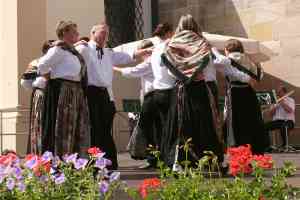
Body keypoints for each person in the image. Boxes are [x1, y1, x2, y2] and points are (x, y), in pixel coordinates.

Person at [76, 23, 150, 169]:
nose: (105, 36)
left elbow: (126, 57)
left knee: (105, 129)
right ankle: (94, 163)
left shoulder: (108, 52)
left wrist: (145, 51)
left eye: (107, 33)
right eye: (102, 32)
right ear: (92, 32)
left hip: (106, 95)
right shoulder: (84, 48)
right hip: (91, 94)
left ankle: (109, 163)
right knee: (95, 129)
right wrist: (75, 44)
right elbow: (71, 54)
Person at [160, 14, 224, 168]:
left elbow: (168, 69)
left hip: (182, 88)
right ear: (195, 25)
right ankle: (209, 160)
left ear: (179, 26)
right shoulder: (203, 42)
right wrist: (196, 72)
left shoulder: (171, 43)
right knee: (205, 123)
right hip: (201, 88)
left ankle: (179, 161)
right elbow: (210, 65)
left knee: (180, 123)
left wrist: (184, 73)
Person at [38, 20, 90, 157]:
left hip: (75, 91)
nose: (77, 34)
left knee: (76, 127)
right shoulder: (58, 50)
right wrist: (48, 77)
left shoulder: (71, 51)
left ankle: (74, 158)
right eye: (74, 31)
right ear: (64, 33)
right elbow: (42, 64)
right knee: (63, 127)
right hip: (64, 90)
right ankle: (60, 159)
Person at [212, 39, 269, 154]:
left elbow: (217, 63)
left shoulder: (227, 60)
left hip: (235, 93)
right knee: (252, 122)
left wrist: (213, 50)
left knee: (236, 124)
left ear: (228, 49)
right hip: (249, 93)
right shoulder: (249, 60)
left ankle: (240, 152)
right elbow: (260, 75)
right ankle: (256, 151)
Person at [21, 40, 54, 155]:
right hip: (41, 97)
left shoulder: (58, 63)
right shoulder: (36, 63)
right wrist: (37, 90)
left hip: (54, 98)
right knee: (39, 125)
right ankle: (37, 154)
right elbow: (25, 82)